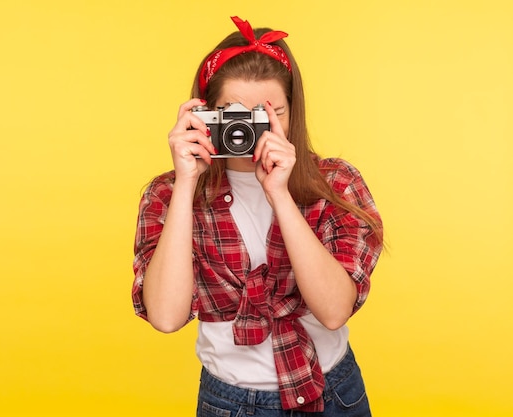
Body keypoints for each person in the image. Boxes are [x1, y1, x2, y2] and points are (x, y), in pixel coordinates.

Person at [132, 16, 384, 417]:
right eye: (231, 114)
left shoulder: (336, 183)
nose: (245, 130)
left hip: (331, 391)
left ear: (291, 113)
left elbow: (335, 310)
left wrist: (280, 193)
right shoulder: (169, 193)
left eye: (268, 114)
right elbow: (164, 317)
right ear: (203, 113)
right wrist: (185, 183)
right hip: (228, 401)